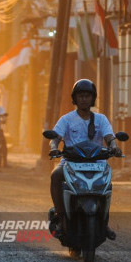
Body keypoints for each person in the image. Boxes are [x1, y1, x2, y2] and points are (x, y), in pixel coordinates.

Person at [49, 79, 121, 240]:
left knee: (107, 185)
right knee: (55, 175)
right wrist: (53, 147)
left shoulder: (101, 119)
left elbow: (109, 136)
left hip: (97, 164)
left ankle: (104, 222)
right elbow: (55, 137)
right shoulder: (66, 119)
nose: (84, 99)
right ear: (75, 98)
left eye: (87, 96)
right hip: (70, 163)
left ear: (92, 98)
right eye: (80, 96)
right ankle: (61, 218)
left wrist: (114, 146)